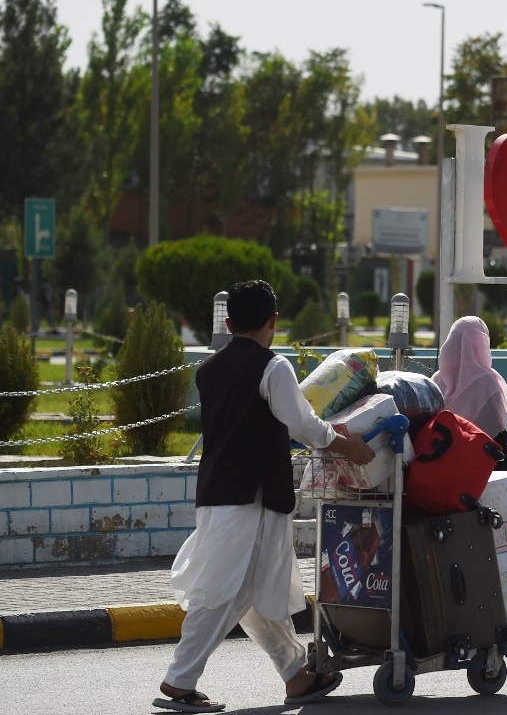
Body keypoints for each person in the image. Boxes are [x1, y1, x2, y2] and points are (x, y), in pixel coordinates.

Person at [155, 280, 374, 714]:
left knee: (255, 591)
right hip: (252, 495)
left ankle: (296, 675)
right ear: (273, 322)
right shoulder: (273, 368)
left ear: (229, 322)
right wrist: (346, 445)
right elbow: (303, 425)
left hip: (217, 491)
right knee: (227, 591)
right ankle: (179, 680)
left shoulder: (208, 369)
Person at [432, 316, 507, 470]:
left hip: (442, 458)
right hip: (481, 462)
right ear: (481, 343)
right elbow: (497, 428)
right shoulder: (488, 381)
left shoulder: (437, 379)